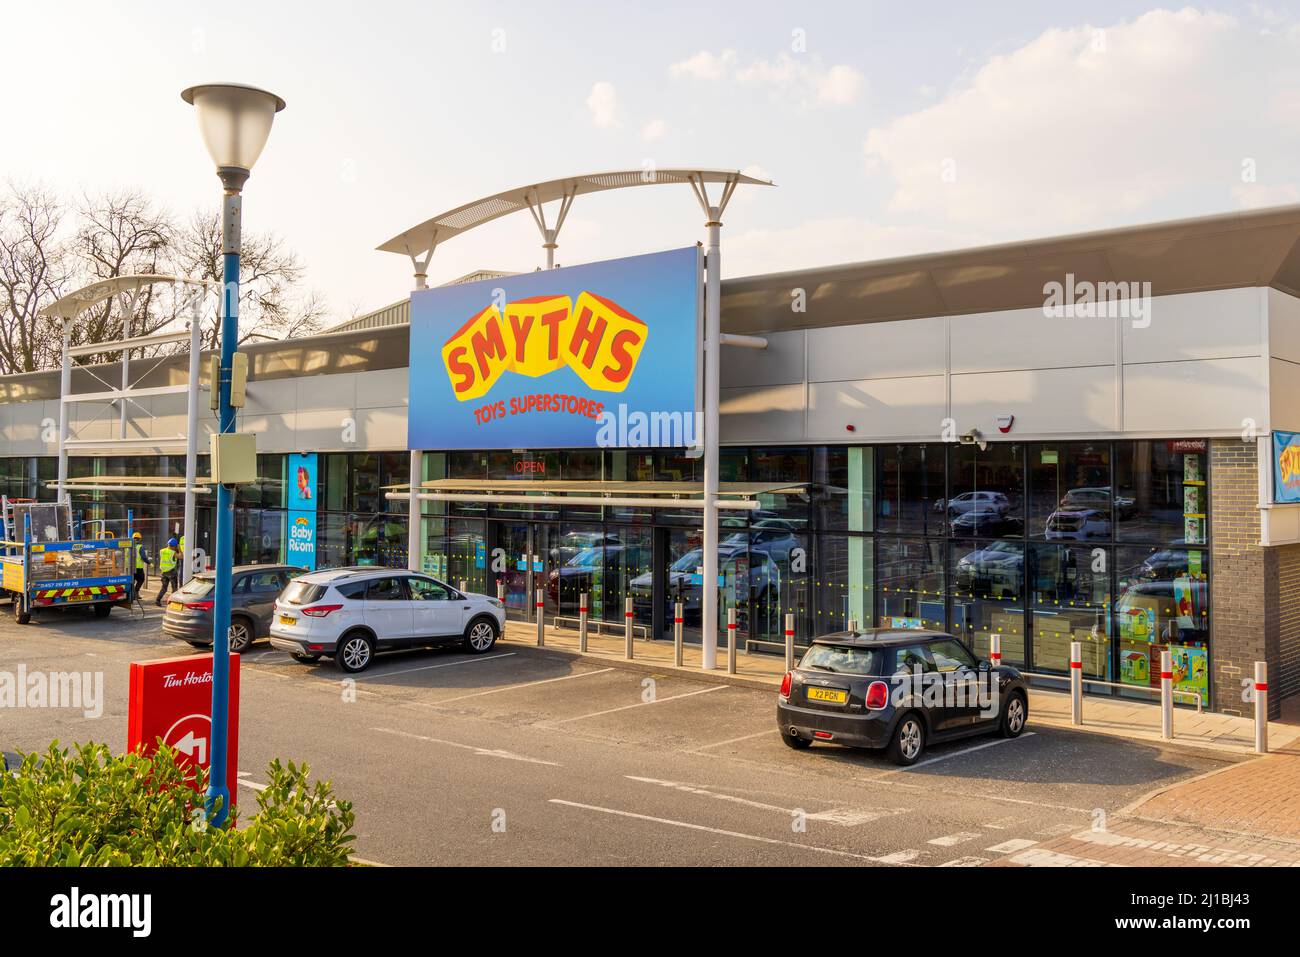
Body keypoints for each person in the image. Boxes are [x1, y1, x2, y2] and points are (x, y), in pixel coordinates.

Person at [155, 537, 179, 606]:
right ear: (174, 546)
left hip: (164, 572)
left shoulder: (162, 551)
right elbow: (181, 557)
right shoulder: (173, 552)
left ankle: (157, 600)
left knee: (164, 588)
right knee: (174, 589)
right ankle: (173, 602)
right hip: (171, 572)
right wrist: (179, 549)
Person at [132, 532, 150, 602]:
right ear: (140, 539)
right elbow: (143, 557)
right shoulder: (140, 547)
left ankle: (133, 594)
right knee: (141, 579)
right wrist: (149, 563)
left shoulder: (128, 546)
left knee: (131, 581)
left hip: (129, 568)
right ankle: (136, 593)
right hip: (138, 568)